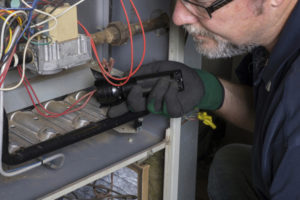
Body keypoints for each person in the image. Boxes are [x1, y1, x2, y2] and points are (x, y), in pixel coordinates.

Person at [108, 0, 300, 199]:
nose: (178, 17)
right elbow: (272, 115)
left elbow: (288, 125)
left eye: (199, 3)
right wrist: (210, 90)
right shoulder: (273, 34)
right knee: (231, 163)